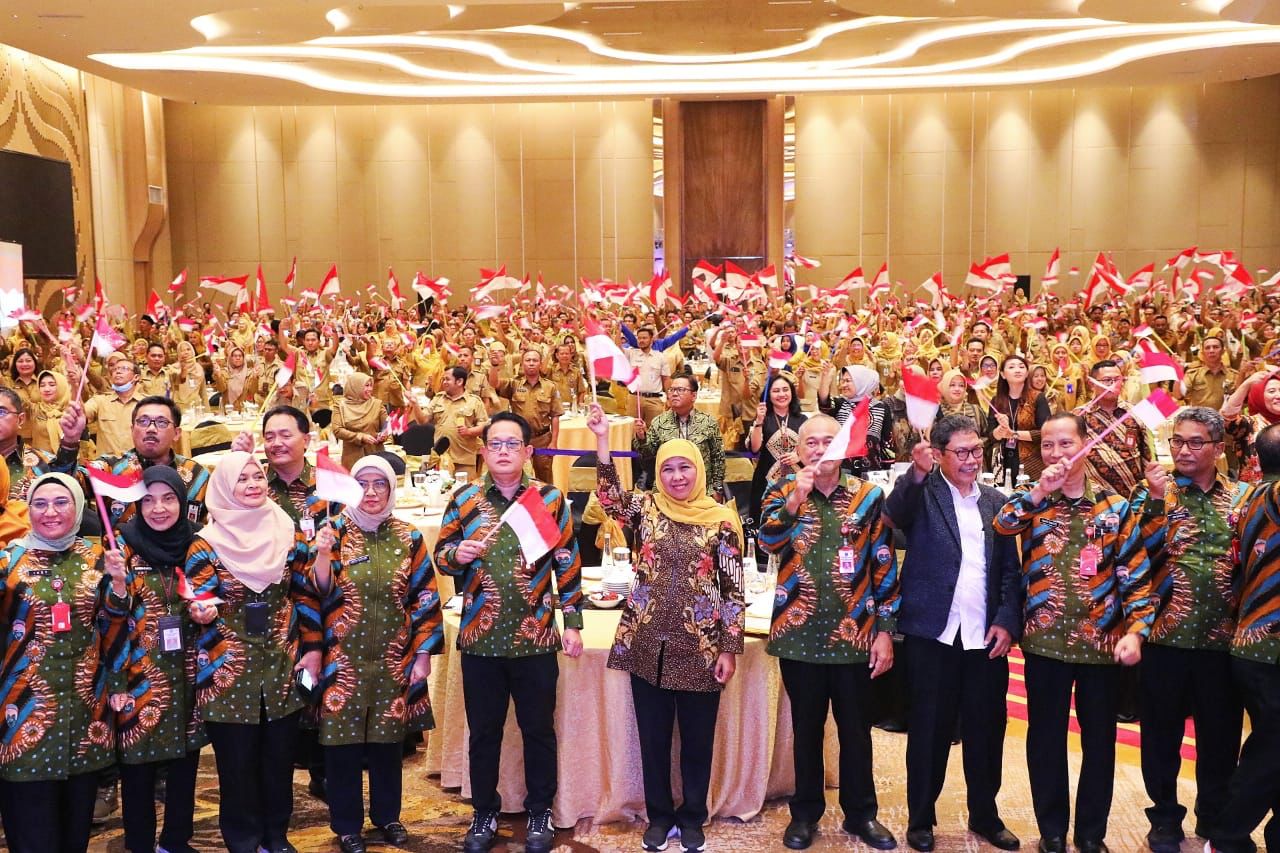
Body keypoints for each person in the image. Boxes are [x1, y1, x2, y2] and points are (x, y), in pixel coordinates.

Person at [993, 413, 1155, 853]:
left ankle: (1090, 834)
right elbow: (1003, 525)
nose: (1057, 454)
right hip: (1044, 644)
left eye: (1066, 444)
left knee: (1099, 743)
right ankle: (1051, 831)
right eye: (1048, 445)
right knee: (1044, 740)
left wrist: (1136, 633)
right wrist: (1040, 488)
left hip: (1101, 647)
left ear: (1087, 446)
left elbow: (1136, 579)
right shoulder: (1034, 501)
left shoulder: (1116, 508)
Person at [588, 404, 745, 853]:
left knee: (697, 743)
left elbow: (733, 589)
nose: (677, 477)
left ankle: (692, 816)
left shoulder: (720, 519)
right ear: (658, 472)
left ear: (698, 470)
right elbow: (610, 499)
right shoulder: (646, 507)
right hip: (649, 642)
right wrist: (602, 441)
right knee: (653, 741)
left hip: (701, 645)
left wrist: (729, 648)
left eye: (685, 468)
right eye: (669, 469)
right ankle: (659, 817)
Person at [434, 411, 584, 853]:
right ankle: (484, 811)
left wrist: (571, 623)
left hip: (535, 636)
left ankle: (541, 811)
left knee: (539, 729)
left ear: (527, 452)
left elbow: (568, 565)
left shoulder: (548, 500)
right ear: (483, 452)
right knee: (484, 732)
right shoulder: (463, 500)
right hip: (481, 638)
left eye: (511, 444)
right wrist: (457, 554)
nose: (502, 451)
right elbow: (440, 556)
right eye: (495, 444)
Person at [758, 414, 900, 852]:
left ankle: (862, 814)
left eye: (827, 441)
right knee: (806, 729)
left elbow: (883, 562)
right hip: (798, 636)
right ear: (797, 450)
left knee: (856, 730)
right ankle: (805, 814)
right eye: (810, 443)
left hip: (855, 634)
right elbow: (766, 540)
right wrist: (796, 497)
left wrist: (886, 631)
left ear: (842, 447)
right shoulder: (780, 491)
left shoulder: (868, 495)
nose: (819, 450)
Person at [884, 415, 1023, 853]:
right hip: (934, 634)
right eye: (961, 452)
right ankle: (921, 819)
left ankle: (986, 816)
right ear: (940, 455)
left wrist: (1006, 619)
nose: (970, 460)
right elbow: (893, 515)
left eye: (976, 450)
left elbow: (1009, 573)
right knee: (928, 731)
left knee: (986, 732)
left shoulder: (996, 502)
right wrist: (916, 472)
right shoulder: (923, 494)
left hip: (985, 638)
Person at [183, 451, 323, 853]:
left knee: (279, 760)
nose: (252, 485)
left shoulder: (286, 529)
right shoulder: (204, 544)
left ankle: (276, 835)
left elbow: (305, 593)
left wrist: (311, 648)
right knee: (237, 765)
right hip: (228, 669)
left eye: (257, 477)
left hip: (281, 661)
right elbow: (198, 597)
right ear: (225, 487)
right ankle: (243, 840)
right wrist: (200, 610)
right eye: (242, 479)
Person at [311, 456, 444, 853]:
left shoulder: (409, 536)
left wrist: (422, 654)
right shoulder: (332, 531)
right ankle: (347, 825)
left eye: (379, 484)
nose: (370, 493)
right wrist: (320, 553)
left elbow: (425, 597)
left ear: (390, 489)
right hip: (342, 658)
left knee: (389, 743)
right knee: (342, 746)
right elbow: (314, 592)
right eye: (362, 484)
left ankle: (389, 816)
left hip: (393, 658)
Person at [1128, 407, 1243, 852]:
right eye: (1177, 441)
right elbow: (1133, 556)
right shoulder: (1153, 493)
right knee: (1160, 736)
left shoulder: (1241, 498)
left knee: (1219, 737)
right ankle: (1164, 818)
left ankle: (1213, 814)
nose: (1184, 450)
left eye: (1196, 443)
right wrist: (1155, 502)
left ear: (1218, 449)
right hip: (1163, 639)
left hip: (1221, 640)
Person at [0, 473, 129, 852]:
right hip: (24, 712)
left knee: (76, 827)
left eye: (61, 502)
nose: (50, 512)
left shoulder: (98, 556)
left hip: (85, 708)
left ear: (77, 507)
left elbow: (115, 624)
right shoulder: (9, 559)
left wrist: (120, 586)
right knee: (31, 827)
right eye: (40, 504)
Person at [108, 466, 208, 853]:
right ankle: (140, 843)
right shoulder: (122, 547)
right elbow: (108, 618)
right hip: (140, 672)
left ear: (182, 503)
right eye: (147, 500)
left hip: (188, 670)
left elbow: (214, 592)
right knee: (137, 768)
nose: (158, 508)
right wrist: (116, 584)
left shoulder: (198, 545)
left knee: (186, 761)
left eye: (168, 498)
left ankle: (175, 841)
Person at [1209, 422, 1280, 853]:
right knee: (1271, 750)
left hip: (1254, 641)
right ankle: (1228, 836)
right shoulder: (1272, 494)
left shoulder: (1248, 493)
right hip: (1267, 644)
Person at [58, 395, 211, 526]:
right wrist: (70, 442)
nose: (151, 429)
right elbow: (63, 485)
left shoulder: (197, 475)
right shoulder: (112, 468)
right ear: (132, 430)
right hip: (120, 558)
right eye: (143, 421)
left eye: (162, 422)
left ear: (177, 433)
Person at [633, 375, 726, 498]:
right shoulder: (659, 422)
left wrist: (717, 488)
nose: (674, 394)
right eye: (671, 390)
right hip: (667, 492)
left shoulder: (708, 422)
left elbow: (718, 458)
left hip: (702, 493)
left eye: (680, 390)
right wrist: (642, 438)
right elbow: (648, 460)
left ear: (694, 396)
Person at [1076, 360, 1151, 495]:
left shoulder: (1136, 413)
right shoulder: (1078, 416)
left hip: (1133, 495)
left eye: (1117, 379)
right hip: (1095, 497)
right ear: (1092, 383)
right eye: (1107, 380)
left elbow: (1146, 454)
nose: (1113, 384)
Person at [490, 348, 564, 484]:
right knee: (518, 476)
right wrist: (494, 367)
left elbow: (555, 416)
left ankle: (546, 503)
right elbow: (494, 384)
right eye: (528, 360)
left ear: (541, 364)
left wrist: (554, 441)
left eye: (535, 360)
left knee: (544, 477)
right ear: (522, 364)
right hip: (519, 439)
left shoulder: (550, 387)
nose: (531, 363)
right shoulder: (514, 384)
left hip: (542, 438)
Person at [745, 373, 806, 526]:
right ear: (768, 395)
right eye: (776, 391)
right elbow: (754, 448)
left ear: (792, 392)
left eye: (785, 389)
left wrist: (799, 456)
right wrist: (759, 421)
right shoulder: (764, 419)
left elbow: (811, 449)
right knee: (768, 524)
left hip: (797, 483)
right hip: (766, 482)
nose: (781, 394)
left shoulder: (803, 420)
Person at [413, 365, 488, 481]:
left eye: (447, 379)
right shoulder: (438, 398)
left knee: (465, 495)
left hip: (464, 460)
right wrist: (415, 404)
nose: (444, 382)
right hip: (440, 459)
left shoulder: (474, 402)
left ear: (459, 381)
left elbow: (484, 426)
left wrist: (469, 431)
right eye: (443, 379)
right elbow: (422, 420)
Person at [988, 354, 1050, 485]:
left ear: (1027, 373)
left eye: (1021, 367)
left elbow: (1046, 433)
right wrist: (1000, 431)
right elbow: (991, 436)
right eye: (1011, 367)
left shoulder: (1038, 398)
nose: (1017, 370)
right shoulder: (997, 401)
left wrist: (1014, 434)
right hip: (1003, 462)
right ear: (1003, 374)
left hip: (1031, 463)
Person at [76, 357, 146, 456]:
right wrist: (75, 385)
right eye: (115, 369)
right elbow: (80, 415)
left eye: (124, 368)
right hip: (106, 467)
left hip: (137, 465)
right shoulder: (100, 400)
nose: (118, 372)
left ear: (136, 377)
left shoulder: (147, 404)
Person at [332, 372, 388, 469]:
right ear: (355, 387)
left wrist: (383, 435)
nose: (370, 389)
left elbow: (387, 425)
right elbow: (337, 430)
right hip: (352, 459)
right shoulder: (340, 406)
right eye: (366, 386)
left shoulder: (377, 404)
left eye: (371, 385)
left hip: (374, 455)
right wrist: (360, 437)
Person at [30, 369, 69, 454]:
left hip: (66, 462)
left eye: (52, 385)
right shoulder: (34, 409)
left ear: (61, 386)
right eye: (42, 385)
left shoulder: (71, 410)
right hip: (40, 463)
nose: (46, 389)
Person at [213, 345, 262, 411]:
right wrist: (218, 375)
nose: (238, 358)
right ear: (231, 358)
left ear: (243, 358)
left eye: (240, 356)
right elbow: (221, 389)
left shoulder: (249, 373)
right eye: (235, 356)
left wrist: (254, 377)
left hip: (245, 411)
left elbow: (253, 391)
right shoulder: (224, 372)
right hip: (228, 410)